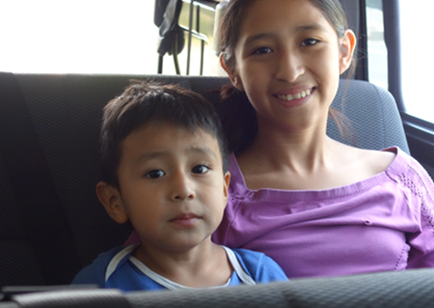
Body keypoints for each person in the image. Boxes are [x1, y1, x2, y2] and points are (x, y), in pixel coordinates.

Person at [211, 0, 434, 278]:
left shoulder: (403, 180)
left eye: (309, 42)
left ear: (344, 51)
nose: (289, 70)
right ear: (233, 71)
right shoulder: (210, 193)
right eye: (263, 50)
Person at [72, 81, 288, 291]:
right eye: (155, 173)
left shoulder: (259, 276)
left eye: (200, 169)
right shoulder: (100, 287)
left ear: (224, 190)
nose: (184, 190)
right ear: (115, 202)